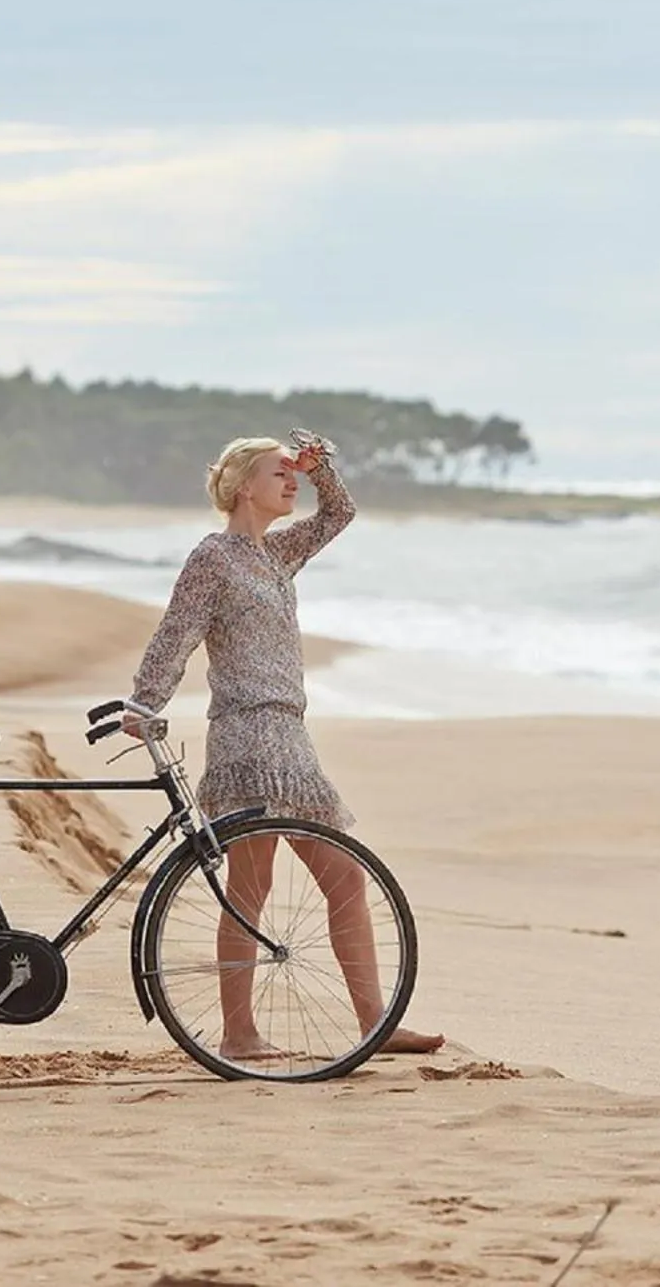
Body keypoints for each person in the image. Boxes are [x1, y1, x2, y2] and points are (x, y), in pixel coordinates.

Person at [126, 430, 444, 1058]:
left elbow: (338, 515)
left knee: (340, 879)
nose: (290, 481)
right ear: (244, 487)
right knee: (256, 887)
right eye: (279, 473)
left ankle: (371, 1025)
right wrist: (145, 702)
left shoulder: (277, 553)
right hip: (247, 737)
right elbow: (177, 632)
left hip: (289, 735)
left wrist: (320, 467)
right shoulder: (213, 557)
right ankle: (241, 1034)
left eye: (291, 473)